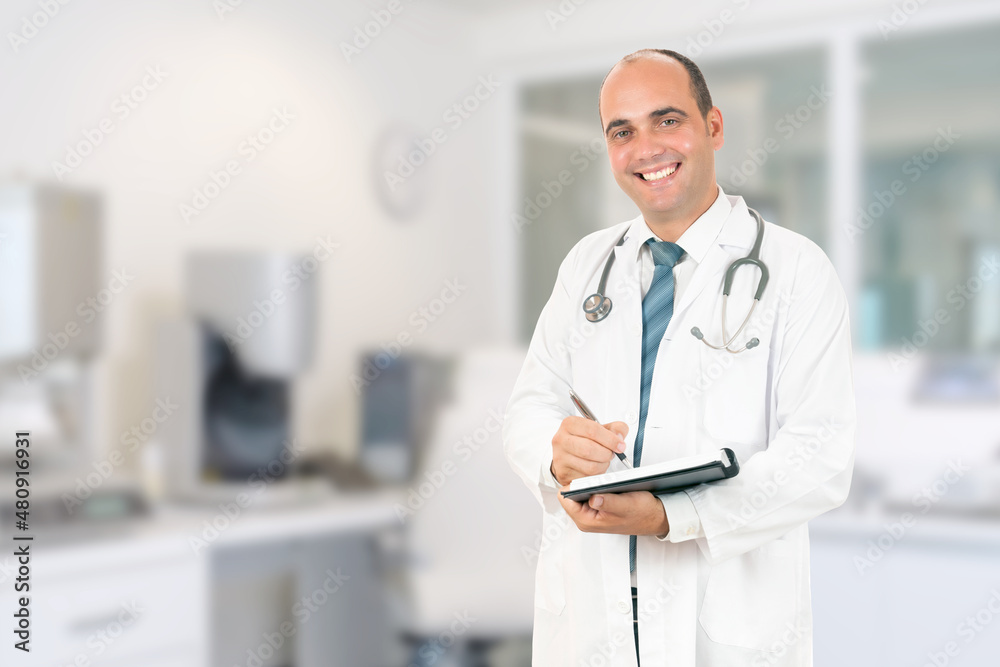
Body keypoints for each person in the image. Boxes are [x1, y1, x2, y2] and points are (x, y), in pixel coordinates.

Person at [502, 48, 856, 666]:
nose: (645, 149)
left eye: (667, 120)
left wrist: (673, 516)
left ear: (713, 126)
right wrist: (556, 454)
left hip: (724, 625)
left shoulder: (797, 270)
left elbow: (820, 457)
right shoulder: (587, 265)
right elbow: (530, 407)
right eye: (622, 131)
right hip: (590, 620)